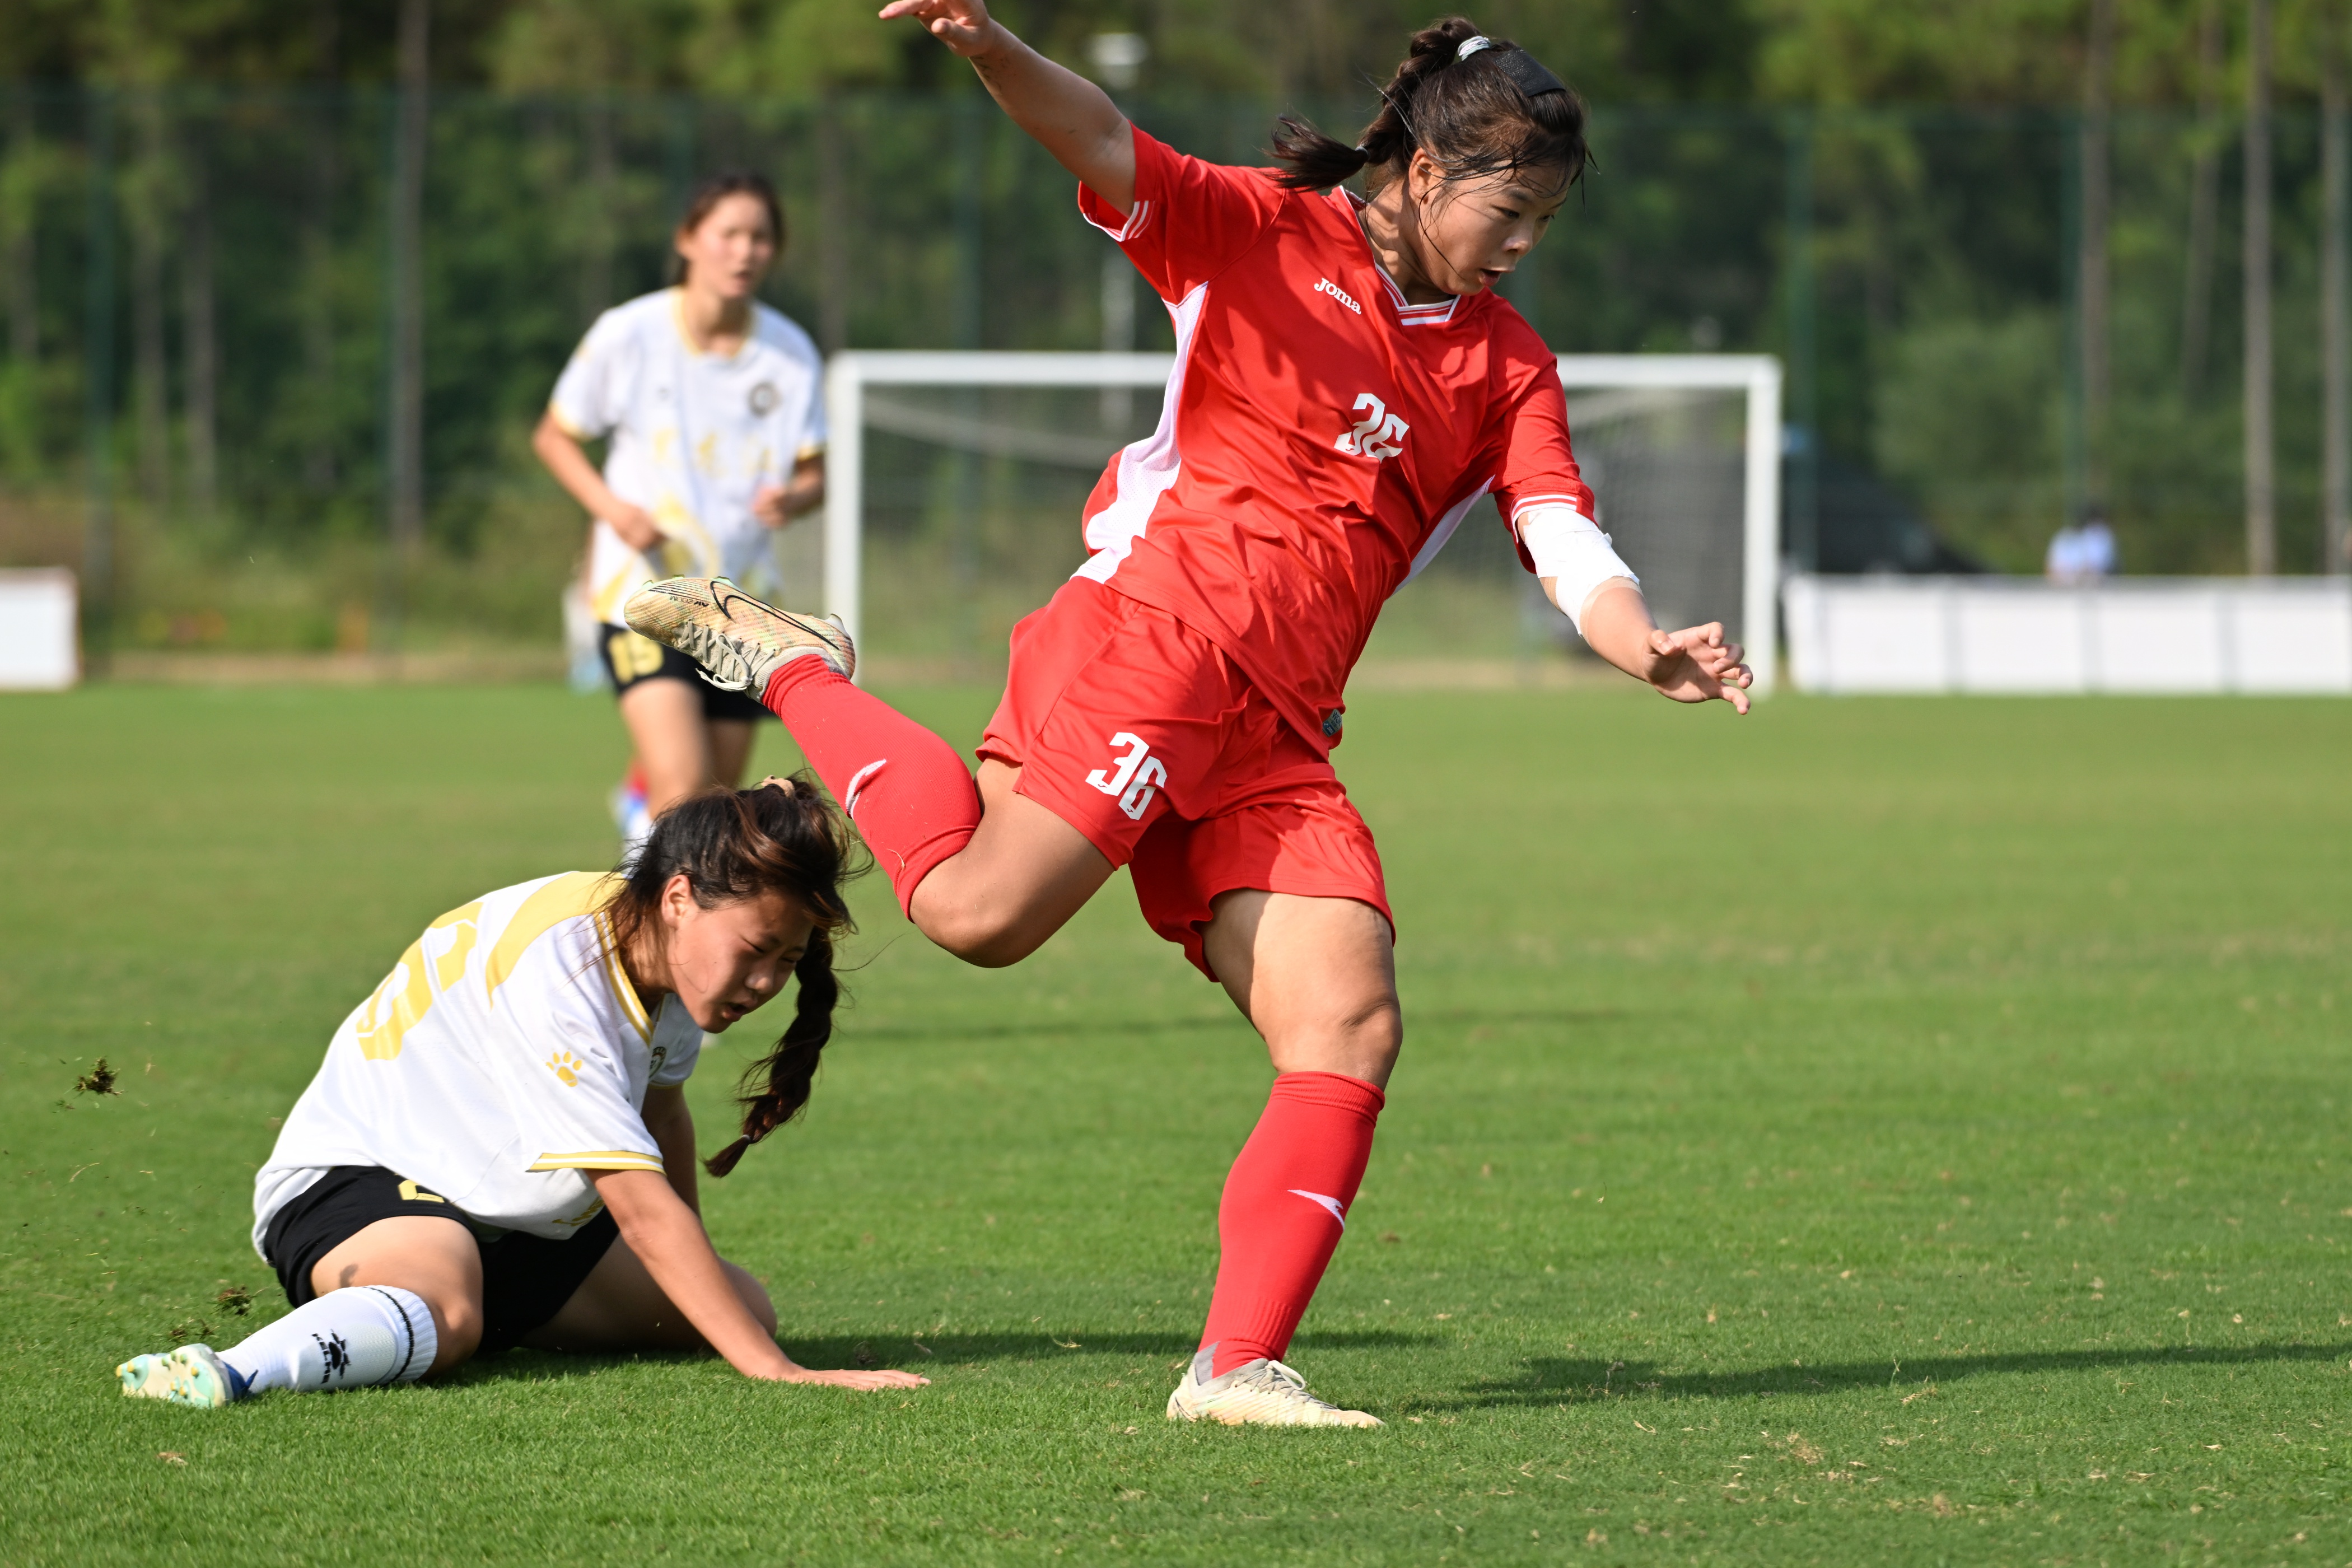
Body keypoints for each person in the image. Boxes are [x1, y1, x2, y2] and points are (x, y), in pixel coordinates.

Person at [624, 7, 1751, 1428]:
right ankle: (795, 664)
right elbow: (1101, 138)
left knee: (1347, 1019)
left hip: (1280, 730)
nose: (1525, 242)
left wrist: (1641, 640)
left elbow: (1560, 530)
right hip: (1160, 643)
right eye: (1509, 208)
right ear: (1419, 165)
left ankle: (1236, 1368)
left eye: (1544, 220)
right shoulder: (1257, 233)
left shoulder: (1507, 362)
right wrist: (988, 47)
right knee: (975, 916)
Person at [116, 781, 927, 1407]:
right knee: (453, 1300)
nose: (765, 982)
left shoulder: (657, 950)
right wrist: (777, 1375)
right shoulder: (563, 967)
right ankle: (229, 1373)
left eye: (785, 962)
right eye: (757, 949)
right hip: (357, 1184)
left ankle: (434, 1319)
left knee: (741, 1308)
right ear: (680, 896)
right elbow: (640, 1209)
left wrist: (713, 1289)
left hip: (509, 1224)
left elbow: (662, 1113)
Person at [533, 172, 829, 853]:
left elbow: (817, 476)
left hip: (741, 608)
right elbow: (554, 436)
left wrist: (796, 496)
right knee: (687, 795)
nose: (745, 251)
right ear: (689, 240)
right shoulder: (630, 333)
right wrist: (614, 510)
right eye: (729, 234)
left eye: (760, 237)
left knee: (718, 810)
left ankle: (641, 799)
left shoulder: (790, 354)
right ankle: (644, 926)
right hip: (642, 595)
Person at [2045, 503, 2118, 584]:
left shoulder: (2099, 536)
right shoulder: (2062, 538)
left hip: (2093, 587)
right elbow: (2050, 570)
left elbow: (2100, 569)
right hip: (2063, 588)